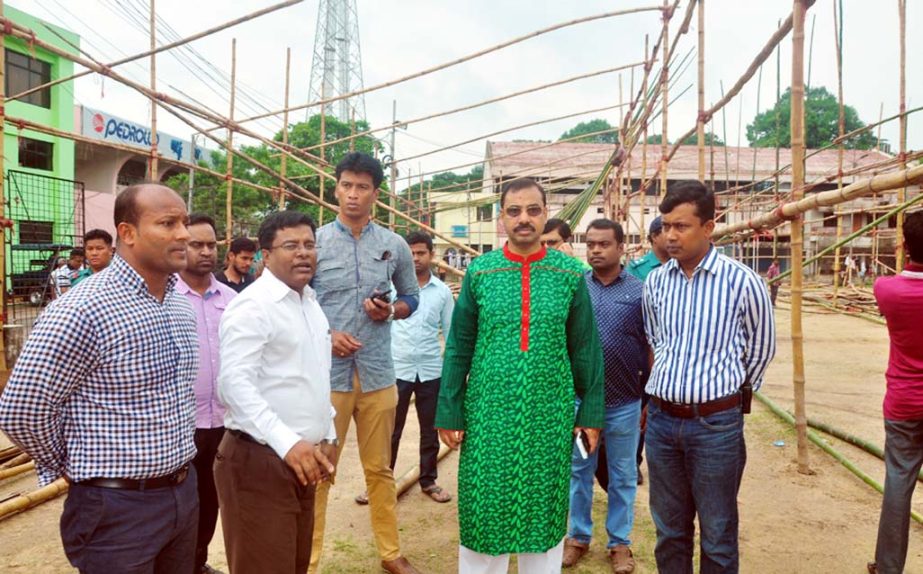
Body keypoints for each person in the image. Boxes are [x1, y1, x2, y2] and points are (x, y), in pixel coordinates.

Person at [0, 183, 199, 573]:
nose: (183, 234)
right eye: (167, 223)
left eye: (185, 222)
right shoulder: (83, 308)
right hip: (116, 509)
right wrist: (76, 466)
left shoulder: (178, 303)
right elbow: (22, 410)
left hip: (182, 493)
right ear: (127, 233)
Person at [436, 177, 604, 574]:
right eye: (514, 211)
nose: (524, 219)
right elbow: (459, 345)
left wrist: (591, 414)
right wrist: (449, 409)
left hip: (548, 416)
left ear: (545, 214)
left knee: (542, 511)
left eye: (532, 210)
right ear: (501, 219)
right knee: (484, 507)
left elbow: (585, 348)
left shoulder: (569, 274)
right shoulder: (480, 272)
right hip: (488, 414)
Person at [643, 180, 776, 573]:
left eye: (681, 226)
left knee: (717, 534)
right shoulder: (656, 282)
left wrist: (724, 396)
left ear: (709, 226)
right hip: (662, 424)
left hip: (716, 426)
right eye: (666, 225)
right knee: (669, 531)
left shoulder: (743, 282)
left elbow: (761, 349)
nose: (670, 235)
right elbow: (657, 340)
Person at [310, 152, 421, 574]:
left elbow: (411, 295)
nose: (353, 195)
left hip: (377, 375)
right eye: (346, 186)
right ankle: (310, 559)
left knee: (380, 469)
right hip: (328, 379)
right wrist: (326, 336)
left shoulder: (393, 246)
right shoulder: (314, 243)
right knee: (322, 471)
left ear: (376, 193)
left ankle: (391, 553)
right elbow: (297, 302)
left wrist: (391, 311)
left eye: (362, 187)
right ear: (336, 188)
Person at [215, 210, 337, 574]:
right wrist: (288, 442)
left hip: (302, 460)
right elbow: (234, 385)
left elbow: (316, 375)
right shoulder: (252, 307)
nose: (303, 253)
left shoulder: (310, 304)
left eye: (309, 245)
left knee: (295, 564)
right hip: (258, 461)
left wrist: (327, 432)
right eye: (291, 246)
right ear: (265, 256)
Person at [563, 219, 647, 573]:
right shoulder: (577, 289)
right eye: (591, 244)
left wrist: (647, 399)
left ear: (621, 247)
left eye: (603, 244)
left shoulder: (640, 291)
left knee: (623, 473)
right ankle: (578, 537)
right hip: (583, 407)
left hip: (625, 405)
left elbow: (651, 345)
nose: (595, 250)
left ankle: (619, 543)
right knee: (579, 470)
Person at [177, 213, 237, 574]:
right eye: (195, 244)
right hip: (183, 424)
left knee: (212, 500)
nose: (204, 252)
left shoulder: (233, 300)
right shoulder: (164, 297)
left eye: (211, 245)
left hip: (225, 422)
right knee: (181, 503)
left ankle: (198, 562)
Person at [868, 211, 923, 574]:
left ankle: (889, 567)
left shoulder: (885, 289)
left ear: (903, 245)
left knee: (898, 487)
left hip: (903, 402)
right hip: (904, 403)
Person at [389, 231, 455, 503]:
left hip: (431, 370)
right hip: (397, 369)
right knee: (390, 430)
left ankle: (429, 480)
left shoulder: (442, 293)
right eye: (411, 253)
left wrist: (452, 376)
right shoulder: (391, 289)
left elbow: (451, 334)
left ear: (431, 255)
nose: (415, 258)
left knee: (430, 429)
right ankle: (381, 484)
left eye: (421, 253)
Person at [626, 215, 669, 487]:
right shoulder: (638, 270)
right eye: (666, 231)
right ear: (654, 237)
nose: (672, 236)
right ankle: (634, 461)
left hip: (672, 351)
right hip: (643, 352)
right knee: (640, 407)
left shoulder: (685, 266)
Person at [626, 216, 668, 282]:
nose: (673, 236)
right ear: (654, 237)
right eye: (667, 232)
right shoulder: (636, 270)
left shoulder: (683, 265)